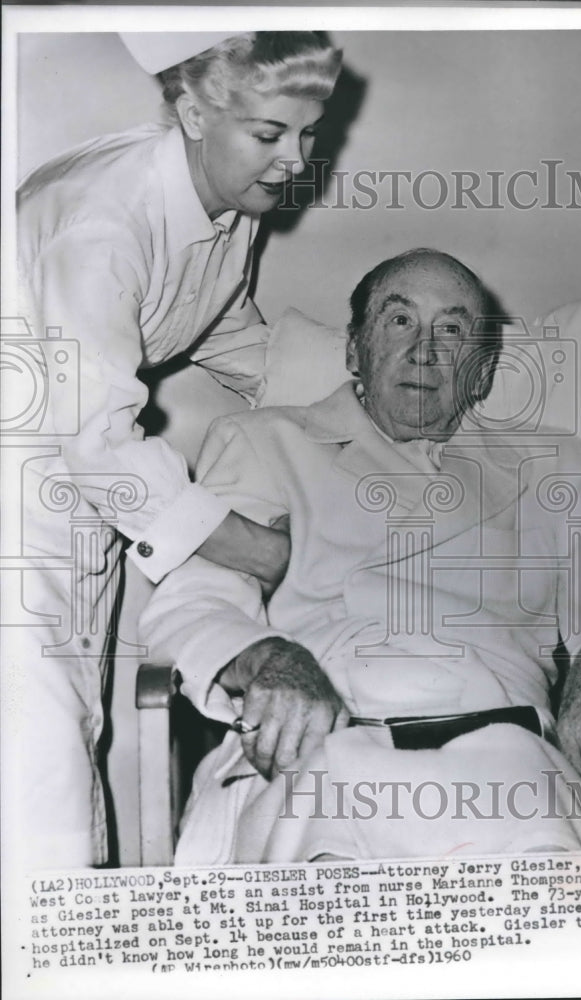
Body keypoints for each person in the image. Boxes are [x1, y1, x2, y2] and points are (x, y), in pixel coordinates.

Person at [140, 248, 581, 863]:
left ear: (481, 373)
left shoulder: (551, 465)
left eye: (452, 330)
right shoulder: (266, 442)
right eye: (399, 320)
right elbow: (194, 603)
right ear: (354, 351)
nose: (425, 350)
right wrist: (266, 659)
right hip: (322, 749)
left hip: (508, 752)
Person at [11, 31, 341, 866]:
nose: (295, 161)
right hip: (24, 489)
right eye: (269, 136)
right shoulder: (103, 221)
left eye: (310, 132)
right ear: (194, 112)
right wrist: (266, 551)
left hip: (70, 493)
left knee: (69, 730)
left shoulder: (227, 206)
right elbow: (98, 444)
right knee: (38, 771)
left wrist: (358, 401)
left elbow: (222, 329)